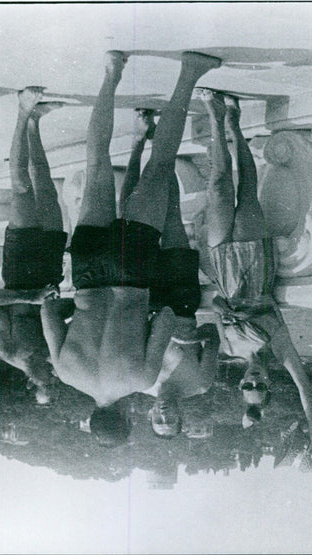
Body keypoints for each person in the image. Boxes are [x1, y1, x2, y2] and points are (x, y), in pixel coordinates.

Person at [41, 51, 221, 447]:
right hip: (87, 274)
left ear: (126, 417)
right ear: (92, 416)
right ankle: (111, 72)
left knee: (160, 164)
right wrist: (81, 308)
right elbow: (48, 308)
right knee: (96, 164)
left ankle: (189, 72)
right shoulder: (68, 372)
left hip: (133, 275)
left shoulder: (140, 380)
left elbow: (168, 318)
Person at [197, 88, 312, 455]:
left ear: (240, 386)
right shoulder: (279, 349)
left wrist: (222, 308)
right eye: (259, 387)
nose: (252, 383)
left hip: (224, 266)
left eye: (245, 387)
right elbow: (305, 390)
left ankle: (215, 112)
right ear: (268, 385)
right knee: (247, 191)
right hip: (255, 265)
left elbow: (217, 305)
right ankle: (233, 121)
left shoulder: (230, 348)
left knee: (219, 189)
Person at [121, 109, 221, 438]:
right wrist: (184, 338)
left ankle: (143, 142)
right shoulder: (201, 384)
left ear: (150, 415)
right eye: (171, 422)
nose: (164, 416)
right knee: (172, 216)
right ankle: (166, 147)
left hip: (146, 296)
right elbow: (213, 336)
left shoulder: (142, 381)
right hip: (181, 300)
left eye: (157, 422)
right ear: (181, 418)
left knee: (134, 219)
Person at [0, 87, 68, 406]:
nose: (49, 377)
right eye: (53, 383)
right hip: (49, 267)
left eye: (43, 384)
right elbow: (63, 313)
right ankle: (35, 123)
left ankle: (22, 111)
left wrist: (28, 297)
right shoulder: (51, 352)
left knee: (21, 186)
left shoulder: (8, 351)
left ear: (31, 384)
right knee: (46, 187)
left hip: (19, 267)